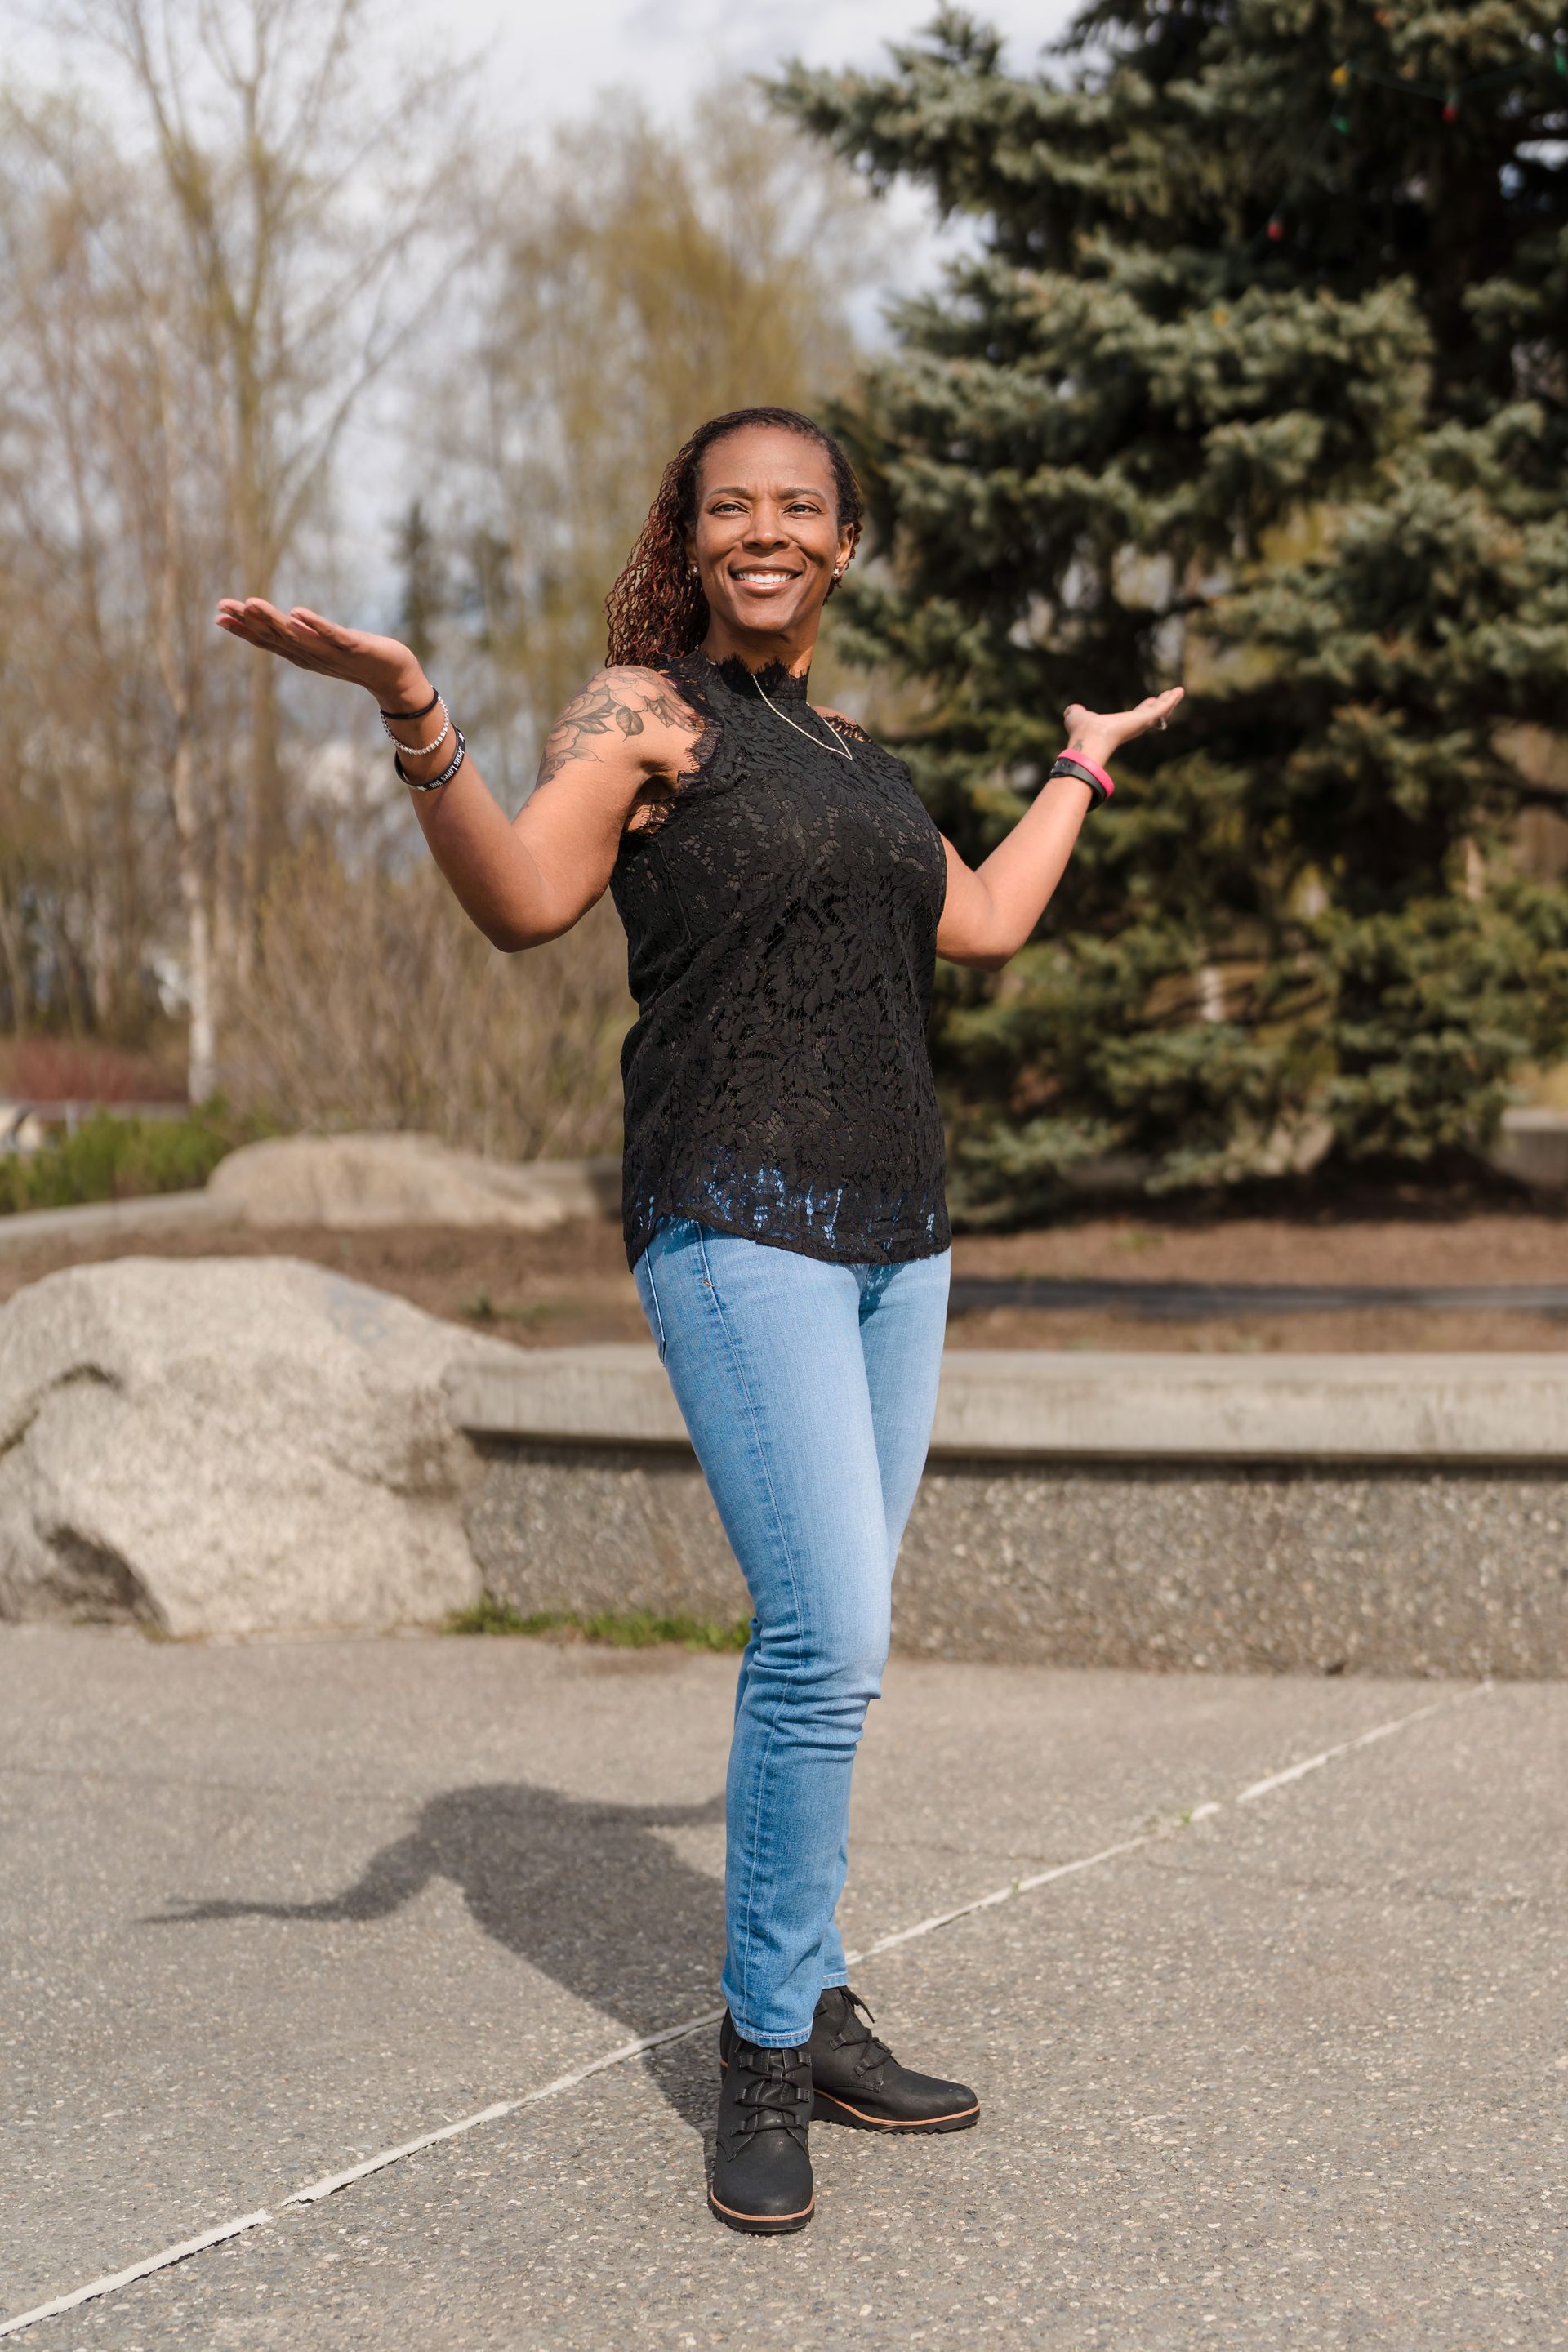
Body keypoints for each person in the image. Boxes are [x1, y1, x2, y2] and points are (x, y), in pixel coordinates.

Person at [216, 403, 1180, 2236]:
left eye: (797, 508)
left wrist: (1081, 768)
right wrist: (416, 707)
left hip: (902, 1233)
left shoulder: (855, 751)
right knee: (824, 1632)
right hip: (735, 1214)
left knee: (845, 1641)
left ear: (841, 542)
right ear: (694, 530)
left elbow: (975, 927)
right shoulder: (644, 710)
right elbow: (522, 898)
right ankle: (757, 2053)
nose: (763, 530)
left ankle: (812, 2001)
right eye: (729, 505)